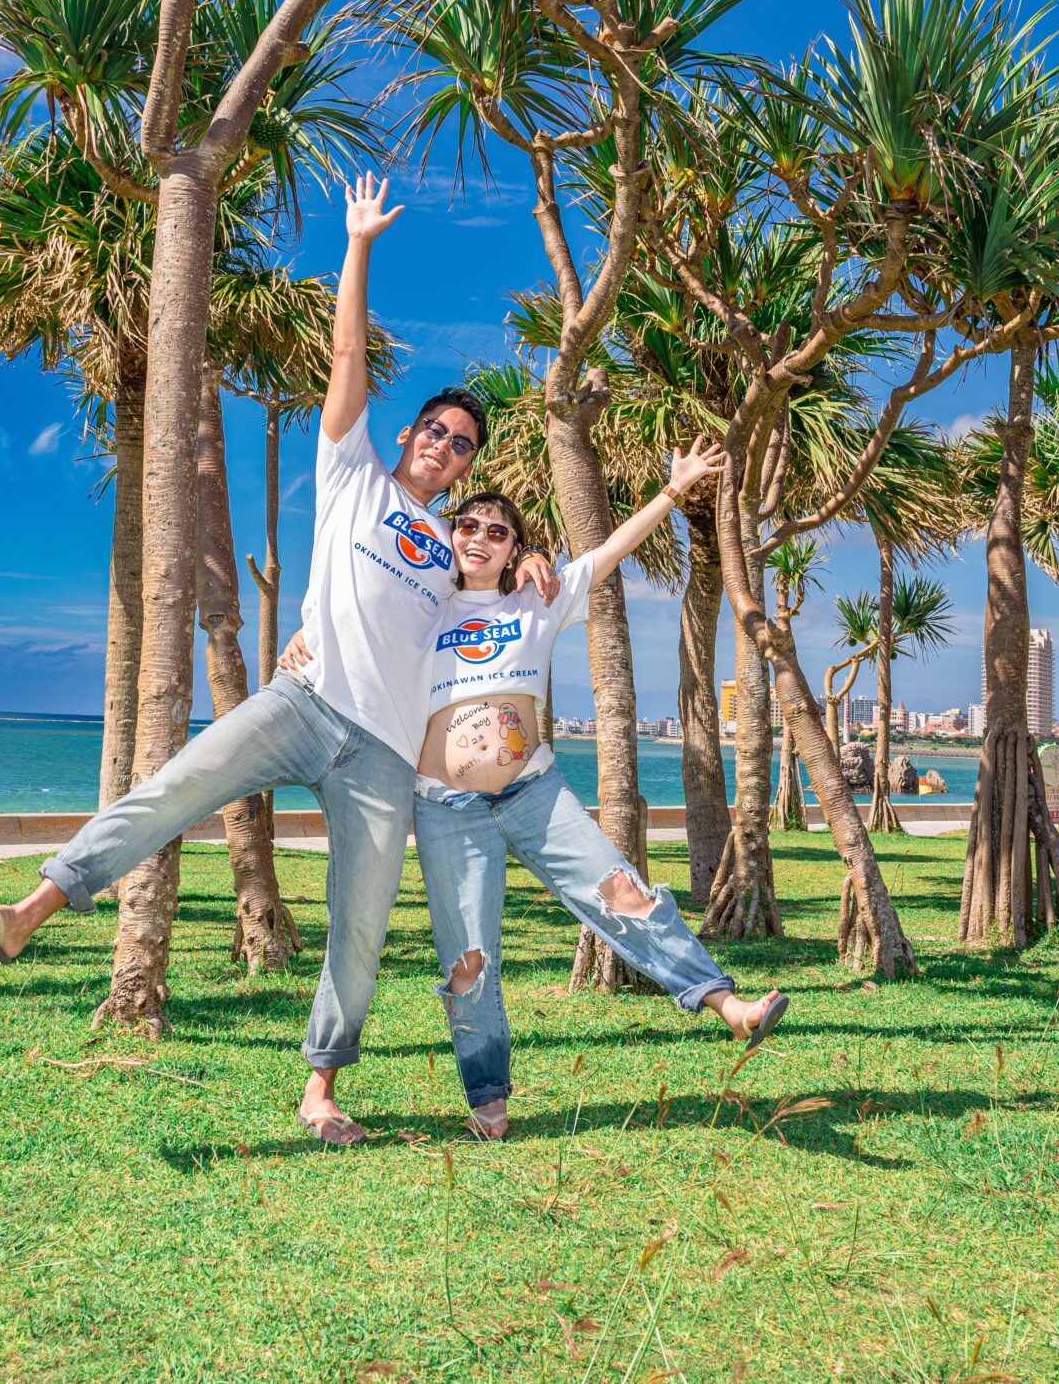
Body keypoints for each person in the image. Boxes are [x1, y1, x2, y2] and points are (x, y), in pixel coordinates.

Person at [0, 173, 556, 1146]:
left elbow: (498, 609)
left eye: (463, 445)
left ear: (471, 469)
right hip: (302, 702)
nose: (445, 446)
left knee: (356, 932)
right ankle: (27, 911)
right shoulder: (354, 472)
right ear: (407, 435)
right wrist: (358, 243)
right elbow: (347, 349)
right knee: (172, 789)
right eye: (435, 431)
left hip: (384, 758)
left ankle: (321, 1091)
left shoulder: (454, 554)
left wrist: (528, 560)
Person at [283, 439, 786, 1140]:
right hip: (447, 808)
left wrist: (673, 493)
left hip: (533, 791)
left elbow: (609, 553)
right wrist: (305, 636)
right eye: (468, 525)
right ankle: (489, 1099)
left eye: (498, 530)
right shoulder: (423, 608)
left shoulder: (536, 600)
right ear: (448, 536)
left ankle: (726, 1004)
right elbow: (358, 611)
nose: (481, 537)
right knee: (470, 962)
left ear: (516, 545)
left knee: (624, 893)